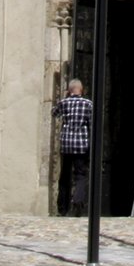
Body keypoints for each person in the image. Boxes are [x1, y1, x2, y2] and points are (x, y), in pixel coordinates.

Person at [52, 77, 93, 216]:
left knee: (65, 175)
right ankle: (77, 199)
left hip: (66, 144)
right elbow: (92, 123)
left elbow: (54, 113)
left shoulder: (64, 103)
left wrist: (63, 100)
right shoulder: (88, 104)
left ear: (69, 90)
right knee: (80, 174)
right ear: (81, 90)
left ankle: (62, 207)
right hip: (81, 145)